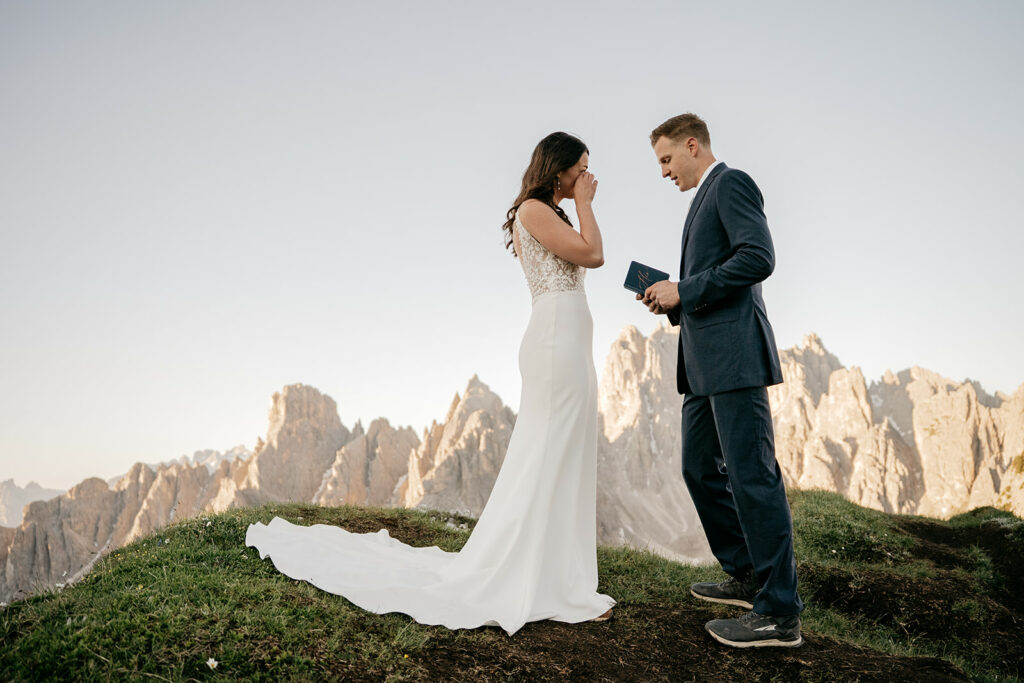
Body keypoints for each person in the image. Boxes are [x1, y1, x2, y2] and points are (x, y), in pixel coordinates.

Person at [245, 131, 614, 636]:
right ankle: (537, 577)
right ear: (558, 169)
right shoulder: (533, 210)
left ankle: (562, 576)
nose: (587, 178)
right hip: (553, 342)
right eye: (582, 169)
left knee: (568, 451)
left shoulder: (554, 212)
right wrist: (589, 204)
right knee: (547, 451)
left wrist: (582, 204)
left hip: (571, 343)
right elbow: (592, 254)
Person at [639, 113, 804, 648]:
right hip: (704, 366)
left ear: (692, 146)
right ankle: (748, 574)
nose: (664, 172)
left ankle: (780, 615)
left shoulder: (731, 183)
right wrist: (670, 296)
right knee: (698, 469)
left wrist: (684, 290)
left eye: (666, 159)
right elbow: (711, 280)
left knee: (753, 476)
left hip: (734, 359)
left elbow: (759, 257)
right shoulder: (700, 200)